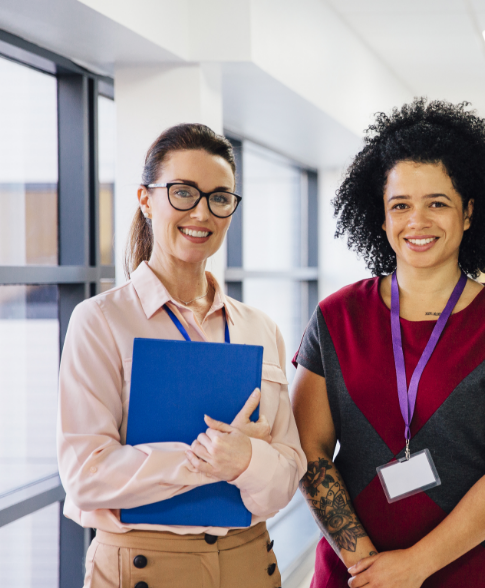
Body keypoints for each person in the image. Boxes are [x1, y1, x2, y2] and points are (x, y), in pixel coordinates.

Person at [291, 99, 485, 588]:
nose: (418, 221)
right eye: (400, 205)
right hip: (354, 574)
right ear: (382, 217)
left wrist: (414, 566)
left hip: (470, 571)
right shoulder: (336, 317)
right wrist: (365, 563)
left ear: (469, 212)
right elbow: (309, 448)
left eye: (437, 203)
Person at [57, 123, 306, 588]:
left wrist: (248, 461)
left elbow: (289, 473)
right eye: (183, 192)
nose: (202, 212)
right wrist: (212, 459)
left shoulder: (259, 327)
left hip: (250, 562)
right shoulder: (101, 321)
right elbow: (86, 474)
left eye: (219, 197)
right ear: (146, 199)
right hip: (142, 567)